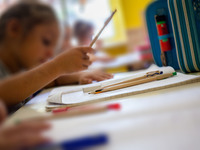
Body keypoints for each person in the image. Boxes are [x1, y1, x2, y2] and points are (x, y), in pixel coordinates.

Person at [0, 1, 113, 112]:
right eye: (46, 41)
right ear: (14, 29)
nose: (50, 54)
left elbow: (52, 80)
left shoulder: (22, 68)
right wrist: (57, 66)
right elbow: (3, 93)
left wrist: (81, 75)